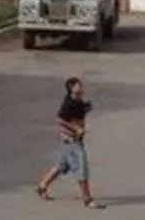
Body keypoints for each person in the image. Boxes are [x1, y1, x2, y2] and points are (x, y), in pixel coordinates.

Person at [36, 76, 103, 208]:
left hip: (75, 139)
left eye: (81, 85)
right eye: (77, 86)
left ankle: (42, 186)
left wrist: (86, 108)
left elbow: (80, 112)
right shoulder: (68, 104)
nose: (80, 88)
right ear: (71, 89)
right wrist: (75, 128)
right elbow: (59, 119)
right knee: (81, 166)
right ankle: (87, 199)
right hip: (70, 140)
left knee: (61, 165)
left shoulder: (78, 101)